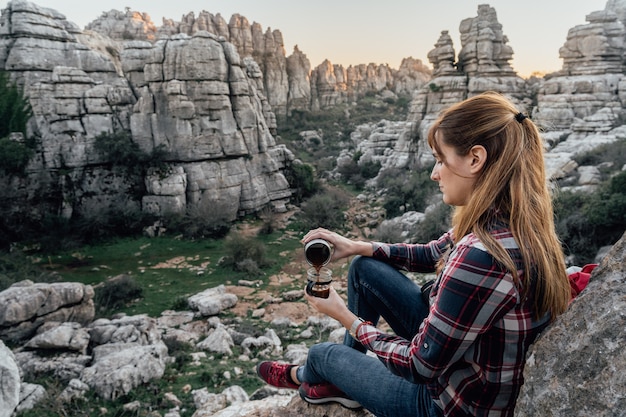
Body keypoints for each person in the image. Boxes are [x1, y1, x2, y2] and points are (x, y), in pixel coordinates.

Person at [256, 92, 571, 417]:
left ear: (475, 159)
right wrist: (355, 246)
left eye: (441, 159)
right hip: (461, 360)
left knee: (323, 355)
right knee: (365, 267)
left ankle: (310, 375)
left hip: (447, 403)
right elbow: (434, 252)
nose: (435, 173)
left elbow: (419, 365)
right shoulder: (512, 219)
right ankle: (343, 382)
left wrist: (346, 317)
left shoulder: (482, 255)